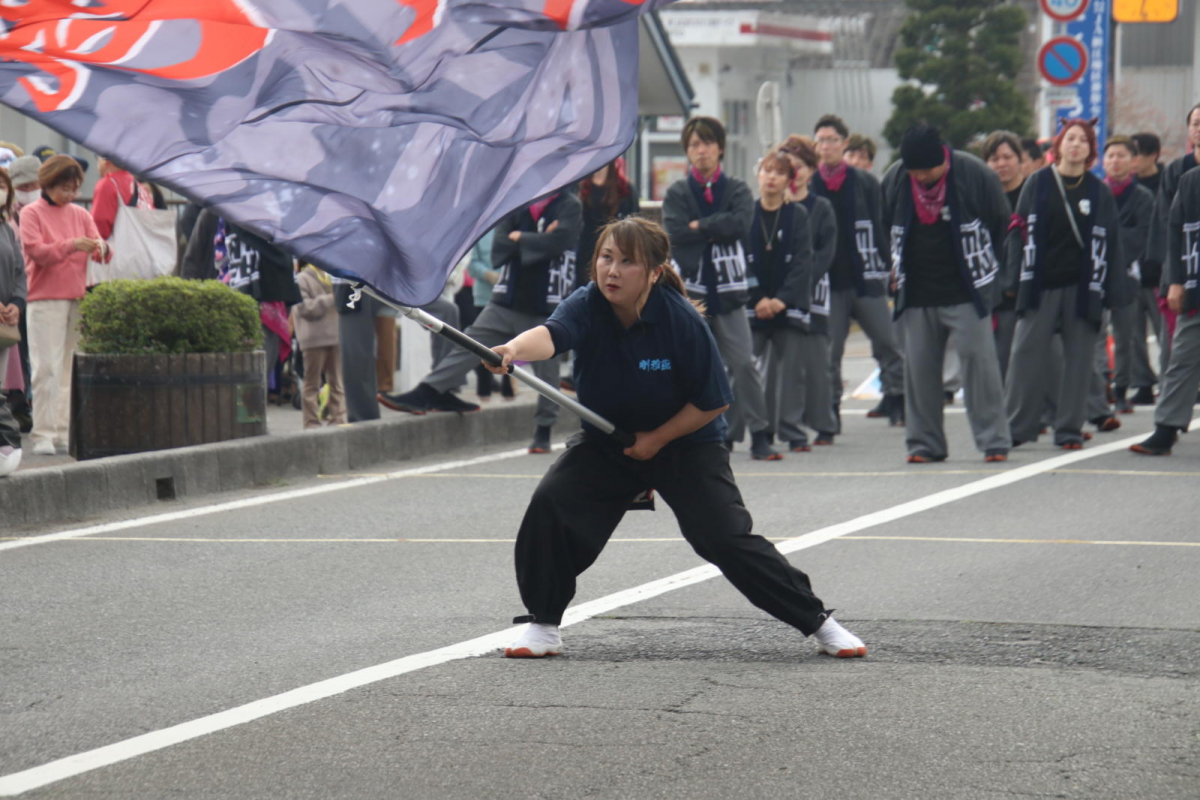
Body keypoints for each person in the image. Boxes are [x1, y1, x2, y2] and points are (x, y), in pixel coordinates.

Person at [488, 216, 866, 660]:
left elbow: (713, 402)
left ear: (653, 272)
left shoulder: (680, 319)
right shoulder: (587, 303)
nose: (612, 271)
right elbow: (551, 335)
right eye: (606, 258)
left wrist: (655, 440)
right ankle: (543, 623)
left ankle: (818, 622)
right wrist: (513, 351)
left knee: (723, 537)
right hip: (609, 440)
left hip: (686, 442)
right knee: (551, 503)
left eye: (627, 262)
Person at [379, 192, 582, 454]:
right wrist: (537, 241)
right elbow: (499, 248)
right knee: (470, 342)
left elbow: (560, 242)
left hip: (545, 300)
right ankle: (428, 391)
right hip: (506, 297)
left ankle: (544, 429)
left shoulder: (569, 205)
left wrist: (520, 238)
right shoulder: (519, 202)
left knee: (547, 371)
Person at [881, 124, 1011, 463]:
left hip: (967, 289)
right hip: (916, 290)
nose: (921, 176)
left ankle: (994, 440)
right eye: (915, 171)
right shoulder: (896, 178)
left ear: (942, 158)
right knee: (919, 371)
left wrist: (996, 277)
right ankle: (924, 444)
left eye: (927, 169)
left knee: (979, 365)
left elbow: (1001, 223)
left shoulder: (974, 173)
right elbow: (883, 225)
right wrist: (890, 270)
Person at [662, 116, 781, 460]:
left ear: (720, 148)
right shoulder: (678, 192)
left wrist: (699, 225)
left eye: (708, 143)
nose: (701, 150)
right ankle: (699, 436)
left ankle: (760, 434)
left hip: (730, 292)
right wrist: (714, 228)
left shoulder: (738, 189)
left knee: (743, 364)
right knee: (689, 370)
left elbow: (740, 224)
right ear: (687, 151)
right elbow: (676, 234)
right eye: (694, 145)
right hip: (691, 294)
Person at [1005, 119, 1126, 450]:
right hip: (1039, 284)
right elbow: (1017, 230)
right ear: (1059, 146)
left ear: (1090, 150)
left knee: (1079, 361)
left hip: (1083, 287)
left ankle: (1069, 429)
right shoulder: (1038, 182)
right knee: (1024, 354)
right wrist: (1012, 278)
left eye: (1083, 141)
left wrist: (1114, 291)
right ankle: (1017, 426)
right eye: (1070, 139)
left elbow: (1112, 242)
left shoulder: (1098, 191)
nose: (1076, 145)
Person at [809, 114, 904, 428]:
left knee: (888, 343)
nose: (826, 146)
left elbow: (882, 226)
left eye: (832, 140)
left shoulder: (865, 182)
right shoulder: (810, 183)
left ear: (844, 143)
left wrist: (890, 266)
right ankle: (831, 410)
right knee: (831, 351)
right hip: (829, 282)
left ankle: (898, 398)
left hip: (867, 277)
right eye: (821, 140)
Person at [20, 155, 111, 456]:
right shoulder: (31, 213)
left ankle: (62, 431)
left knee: (69, 369)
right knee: (46, 368)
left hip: (77, 298)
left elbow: (102, 250)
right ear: (47, 184)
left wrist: (101, 247)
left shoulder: (81, 214)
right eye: (64, 188)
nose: (70, 194)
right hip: (44, 298)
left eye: (74, 188)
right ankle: (42, 433)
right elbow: (37, 252)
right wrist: (73, 244)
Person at [736, 149, 821, 452]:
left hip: (789, 306)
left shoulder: (798, 215)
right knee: (741, 367)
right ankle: (731, 433)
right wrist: (759, 299)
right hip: (753, 305)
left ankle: (793, 431)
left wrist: (781, 300)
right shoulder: (746, 213)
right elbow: (739, 260)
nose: (772, 177)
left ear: (788, 180)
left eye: (779, 172)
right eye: (767, 171)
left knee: (792, 373)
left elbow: (803, 263)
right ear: (758, 175)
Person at [181, 209, 302, 387]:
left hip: (263, 313)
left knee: (254, 381)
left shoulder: (270, 216)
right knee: (225, 381)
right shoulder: (212, 214)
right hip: (217, 311)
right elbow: (193, 263)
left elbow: (283, 269)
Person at [1131, 167, 1200, 455]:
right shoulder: (1190, 181)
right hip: (1195, 284)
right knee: (1181, 357)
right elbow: (1173, 234)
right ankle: (1166, 429)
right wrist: (1174, 281)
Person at [777, 136, 839, 446]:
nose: (793, 173)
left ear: (812, 170)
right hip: (778, 295)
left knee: (816, 362)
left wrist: (801, 282)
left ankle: (824, 423)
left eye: (799, 166)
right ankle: (781, 422)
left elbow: (826, 253)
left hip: (813, 293)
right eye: (786, 167)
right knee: (782, 364)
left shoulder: (822, 207)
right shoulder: (773, 205)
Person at [1091, 137, 1154, 417]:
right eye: (1110, 156)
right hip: (1095, 272)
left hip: (1127, 273)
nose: (1115, 161)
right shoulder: (1094, 193)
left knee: (1125, 334)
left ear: (1133, 161)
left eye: (1121, 155)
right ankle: (1102, 383)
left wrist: (1112, 245)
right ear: (1103, 162)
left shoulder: (1143, 197)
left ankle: (1121, 389)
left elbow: (1142, 235)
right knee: (1095, 332)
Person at [1145, 104, 1200, 391]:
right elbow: (1167, 223)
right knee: (1177, 339)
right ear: (1189, 130)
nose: (1199, 129)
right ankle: (1173, 394)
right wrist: (1170, 275)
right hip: (1182, 268)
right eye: (1196, 123)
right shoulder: (1177, 172)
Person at [983, 130, 1027, 380]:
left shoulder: (1033, 192)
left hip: (1029, 292)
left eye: (1007, 157)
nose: (1001, 164)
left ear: (1019, 159)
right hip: (995, 295)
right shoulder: (981, 198)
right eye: (994, 159)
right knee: (998, 364)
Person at [5, 154, 41, 431]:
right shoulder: (8, 218)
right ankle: (16, 406)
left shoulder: (43, 211)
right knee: (15, 353)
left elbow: (20, 265)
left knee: (28, 353)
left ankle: (22, 406)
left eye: (32, 185)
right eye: (22, 187)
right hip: (12, 299)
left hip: (31, 295)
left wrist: (18, 299)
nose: (27, 192)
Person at [293, 261, 346, 429]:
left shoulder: (333, 276)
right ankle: (311, 422)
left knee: (337, 383)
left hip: (336, 336)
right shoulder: (301, 278)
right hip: (313, 339)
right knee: (311, 383)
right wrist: (330, 299)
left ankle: (338, 419)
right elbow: (304, 308)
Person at [576, 158, 641, 290]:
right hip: (583, 254)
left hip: (616, 254)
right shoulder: (578, 187)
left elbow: (636, 226)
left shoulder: (625, 189)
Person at [0, 167, 24, 475]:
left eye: (3, 185)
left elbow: (20, 270)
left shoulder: (7, 228)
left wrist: (16, 304)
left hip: (4, 322)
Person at [1131, 132, 1163, 196]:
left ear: (1153, 155)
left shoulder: (1167, 182)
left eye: (1136, 154)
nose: (1132, 159)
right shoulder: (1126, 183)